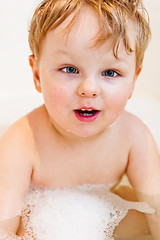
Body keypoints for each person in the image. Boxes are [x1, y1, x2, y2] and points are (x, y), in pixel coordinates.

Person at [0, 0, 160, 239]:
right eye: (70, 69)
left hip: (104, 219)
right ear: (36, 75)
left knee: (143, 222)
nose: (89, 89)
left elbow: (156, 211)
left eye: (110, 72)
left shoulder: (134, 138)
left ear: (133, 82)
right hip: (45, 221)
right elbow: (4, 224)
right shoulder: (22, 142)